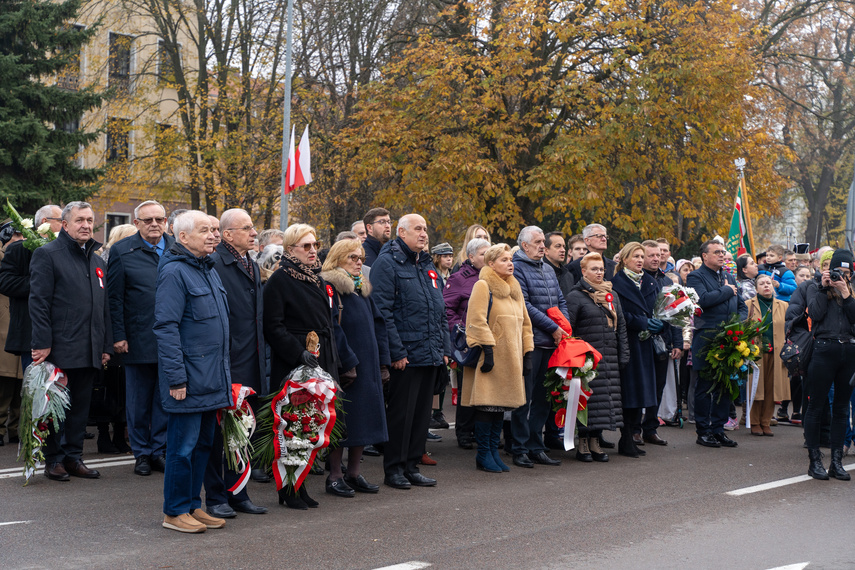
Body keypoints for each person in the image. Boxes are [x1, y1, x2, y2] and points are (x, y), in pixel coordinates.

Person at [263, 223, 356, 507]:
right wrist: (296, 352)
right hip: (295, 363)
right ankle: (288, 490)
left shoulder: (316, 279)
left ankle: (301, 485)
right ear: (291, 249)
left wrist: (335, 360)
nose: (313, 251)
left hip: (321, 357)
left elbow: (327, 323)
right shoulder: (280, 279)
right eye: (306, 246)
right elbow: (273, 326)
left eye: (315, 245)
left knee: (313, 422)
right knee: (294, 423)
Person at [154, 210, 232, 534]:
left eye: (215, 230)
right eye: (205, 231)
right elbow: (166, 328)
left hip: (212, 376)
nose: (213, 236)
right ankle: (174, 511)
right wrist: (176, 378)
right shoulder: (175, 272)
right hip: (188, 378)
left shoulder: (208, 269)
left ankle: (191, 506)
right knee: (181, 448)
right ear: (182, 237)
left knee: (202, 447)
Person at [29, 201, 112, 481]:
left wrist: (105, 346)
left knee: (80, 407)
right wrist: (42, 342)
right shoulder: (47, 254)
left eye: (90, 220)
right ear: (65, 225)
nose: (86, 225)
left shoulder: (97, 260)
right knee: (56, 407)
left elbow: (104, 307)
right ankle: (53, 459)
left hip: (90, 347)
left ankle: (74, 458)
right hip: (60, 347)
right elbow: (38, 302)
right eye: (80, 220)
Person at [370, 214, 452, 490]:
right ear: (401, 233)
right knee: (401, 415)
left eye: (426, 229)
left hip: (429, 352)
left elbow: (439, 309)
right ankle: (394, 468)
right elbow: (383, 313)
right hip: (405, 354)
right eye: (418, 229)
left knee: (420, 415)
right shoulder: (388, 263)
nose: (424, 234)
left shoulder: (427, 264)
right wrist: (396, 351)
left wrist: (444, 348)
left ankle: (412, 465)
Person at [205, 208, 269, 516]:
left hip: (251, 361)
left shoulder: (251, 264)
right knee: (219, 437)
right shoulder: (215, 263)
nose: (254, 233)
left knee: (243, 432)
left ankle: (239, 492)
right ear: (227, 234)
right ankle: (217, 496)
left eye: (253, 228)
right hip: (227, 363)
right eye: (247, 228)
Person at [107, 200, 174, 476]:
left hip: (171, 339)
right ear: (137, 224)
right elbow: (114, 298)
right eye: (148, 220)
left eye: (159, 219)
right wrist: (119, 335)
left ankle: (159, 450)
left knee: (164, 398)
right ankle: (142, 453)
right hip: (137, 338)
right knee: (137, 400)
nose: (154, 224)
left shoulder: (176, 248)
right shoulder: (122, 251)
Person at [320, 239, 391, 495]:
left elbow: (378, 324)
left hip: (368, 365)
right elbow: (332, 328)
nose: (359, 262)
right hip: (346, 367)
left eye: (361, 257)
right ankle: (335, 476)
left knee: (364, 420)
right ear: (338, 259)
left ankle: (354, 473)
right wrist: (348, 361)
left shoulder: (362, 288)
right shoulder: (330, 286)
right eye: (353, 257)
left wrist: (383, 361)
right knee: (343, 422)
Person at [461, 243, 533, 472]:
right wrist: (488, 349)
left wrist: (528, 352)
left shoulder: (515, 287)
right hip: (489, 356)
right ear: (491, 264)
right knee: (486, 406)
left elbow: (526, 323)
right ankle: (484, 454)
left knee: (500, 407)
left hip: (512, 358)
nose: (510, 263)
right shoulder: (483, 285)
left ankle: (493, 451)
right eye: (503, 260)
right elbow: (476, 319)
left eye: (510, 259)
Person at [509, 226, 569, 468]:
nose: (543, 246)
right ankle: (519, 448)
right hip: (531, 342)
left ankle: (536, 446)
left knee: (544, 398)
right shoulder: (517, 268)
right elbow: (526, 306)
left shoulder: (547, 268)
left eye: (544, 241)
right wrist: (554, 329)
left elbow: (560, 300)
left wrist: (563, 326)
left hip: (552, 343)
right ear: (524, 246)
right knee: (524, 399)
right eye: (538, 242)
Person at [565, 253, 629, 462]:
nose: (599, 273)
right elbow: (569, 330)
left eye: (601, 269)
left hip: (608, 356)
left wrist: (623, 355)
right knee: (588, 400)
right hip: (586, 359)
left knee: (604, 401)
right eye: (594, 269)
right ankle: (582, 443)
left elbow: (622, 328)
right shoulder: (575, 296)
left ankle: (595, 441)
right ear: (583, 271)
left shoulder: (612, 295)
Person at [687, 240, 747, 449]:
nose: (722, 255)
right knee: (705, 385)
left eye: (723, 252)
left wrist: (737, 323)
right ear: (705, 256)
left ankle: (719, 429)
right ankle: (703, 431)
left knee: (724, 385)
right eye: (717, 252)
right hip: (707, 337)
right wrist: (728, 291)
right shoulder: (696, 276)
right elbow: (702, 299)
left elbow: (741, 306)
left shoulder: (728, 276)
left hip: (729, 337)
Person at [803, 249, 855, 480]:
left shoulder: (851, 293)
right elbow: (815, 314)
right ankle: (815, 460)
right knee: (816, 406)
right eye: (836, 272)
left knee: (842, 408)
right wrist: (825, 288)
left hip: (849, 351)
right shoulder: (816, 287)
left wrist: (846, 294)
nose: (840, 277)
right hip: (824, 350)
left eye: (845, 273)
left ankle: (836, 461)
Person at [610, 242, 659, 458]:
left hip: (645, 344)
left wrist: (661, 323)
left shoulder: (649, 282)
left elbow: (660, 310)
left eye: (642, 256)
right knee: (629, 393)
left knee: (641, 392)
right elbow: (616, 314)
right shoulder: (615, 283)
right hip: (627, 342)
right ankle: (626, 437)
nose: (640, 260)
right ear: (624, 259)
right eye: (636, 256)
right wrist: (642, 322)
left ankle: (632, 436)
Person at [0, 205, 63, 371]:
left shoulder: (66, 252)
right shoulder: (20, 249)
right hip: (32, 335)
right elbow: (6, 283)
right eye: (61, 221)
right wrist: (41, 283)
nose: (65, 224)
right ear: (44, 222)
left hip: (64, 336)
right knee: (36, 390)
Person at [443, 237, 490, 449]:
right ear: (470, 257)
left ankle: (481, 432)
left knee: (486, 388)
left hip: (489, 340)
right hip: (468, 342)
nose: (487, 258)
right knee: (467, 388)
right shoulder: (459, 278)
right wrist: (461, 331)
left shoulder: (493, 276)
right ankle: (464, 431)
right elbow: (447, 310)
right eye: (482, 254)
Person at [639, 240, 682, 447]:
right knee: (640, 386)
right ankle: (633, 430)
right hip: (642, 339)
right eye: (651, 255)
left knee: (658, 386)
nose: (656, 258)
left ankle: (650, 428)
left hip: (663, 341)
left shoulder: (666, 281)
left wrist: (677, 342)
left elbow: (675, 314)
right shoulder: (637, 279)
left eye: (658, 255)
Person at [746, 274, 789, 436]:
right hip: (756, 352)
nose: (766, 286)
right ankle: (755, 422)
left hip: (777, 352)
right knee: (756, 387)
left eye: (768, 283)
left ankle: (766, 422)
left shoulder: (783, 305)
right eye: (762, 283)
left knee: (772, 387)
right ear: (756, 288)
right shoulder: (749, 304)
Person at [0, 228, 24, 447]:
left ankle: (15, 429)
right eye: (15, 238)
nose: (19, 242)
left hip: (18, 328)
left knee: (19, 387)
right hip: (3, 329)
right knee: (4, 386)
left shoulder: (24, 258)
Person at [543, 231, 575, 299]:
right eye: (558, 246)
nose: (563, 250)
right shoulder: (538, 273)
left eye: (563, 246)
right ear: (546, 250)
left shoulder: (568, 275)